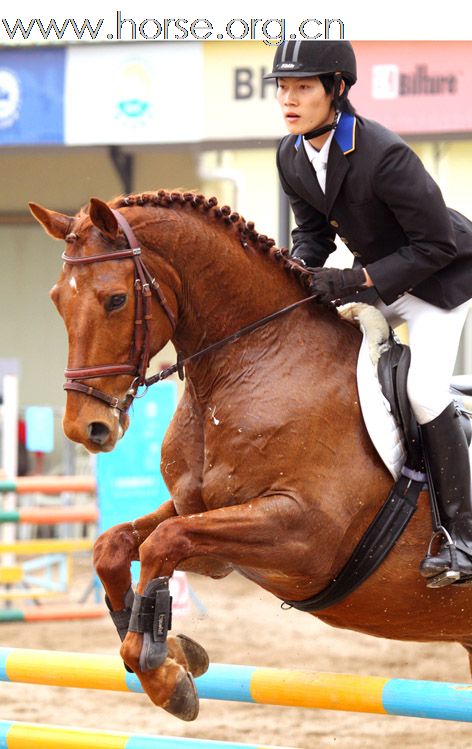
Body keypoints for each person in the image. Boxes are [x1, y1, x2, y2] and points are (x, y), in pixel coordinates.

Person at [266, 39, 472, 586]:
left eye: (303, 87)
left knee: (426, 392)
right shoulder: (290, 156)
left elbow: (436, 246)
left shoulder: (384, 153)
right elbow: (310, 237)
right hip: (382, 277)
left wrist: (357, 279)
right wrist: (290, 277)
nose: (288, 99)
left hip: (440, 284)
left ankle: (462, 537)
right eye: (282, 87)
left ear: (336, 89)